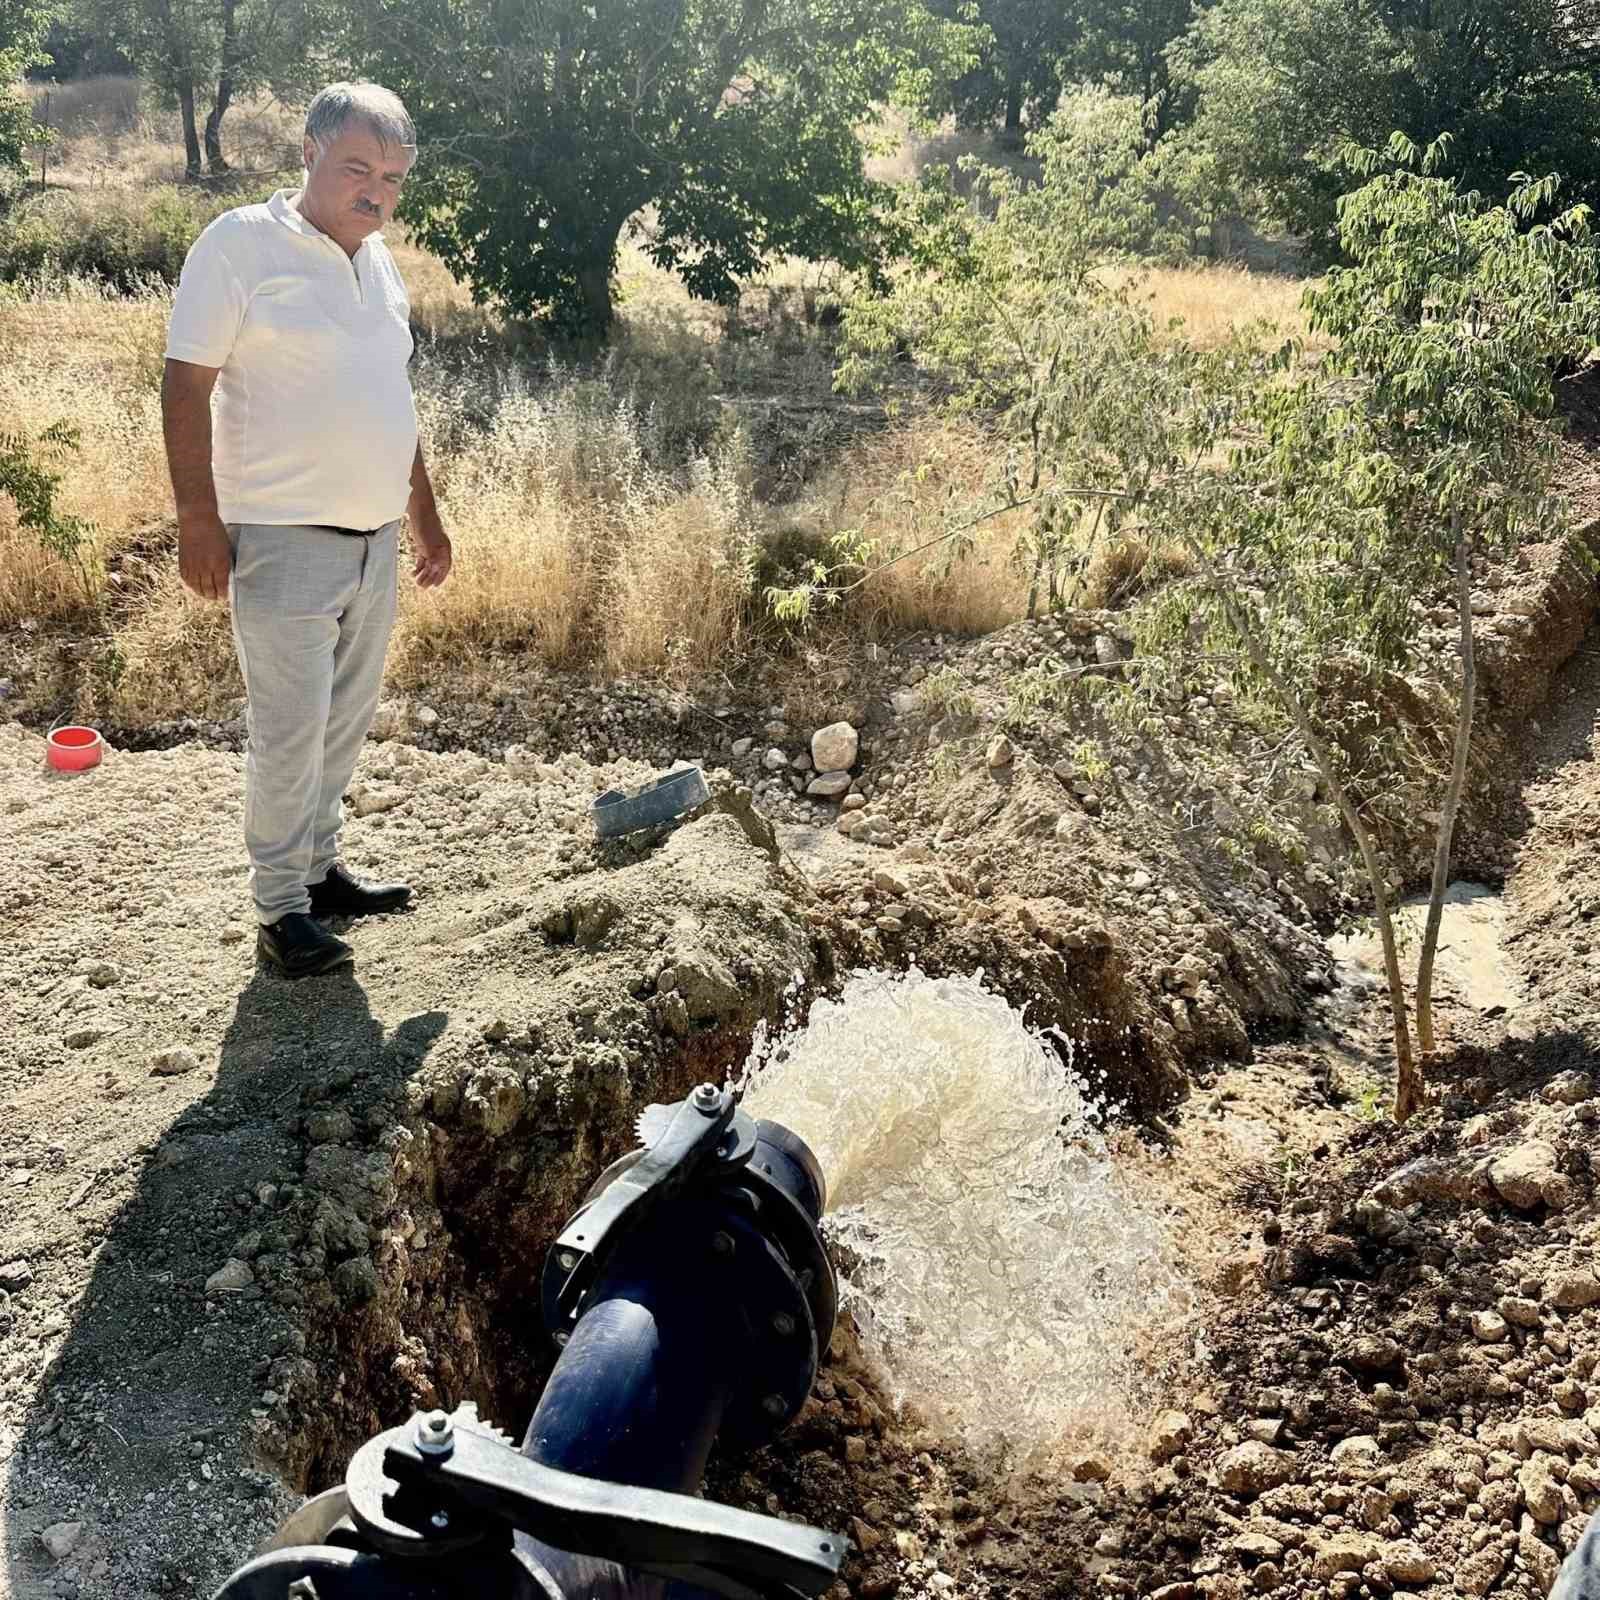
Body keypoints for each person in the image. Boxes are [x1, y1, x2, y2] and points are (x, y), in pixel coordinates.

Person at [161, 81, 452, 979]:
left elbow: (389, 399)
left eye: (393, 177)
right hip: (281, 537)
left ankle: (320, 874)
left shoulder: (381, 263)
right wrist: (198, 519)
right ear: (308, 154)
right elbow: (184, 384)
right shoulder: (241, 244)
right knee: (288, 731)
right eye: (359, 168)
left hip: (373, 541)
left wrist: (425, 513)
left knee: (344, 722)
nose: (377, 192)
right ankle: (279, 907)